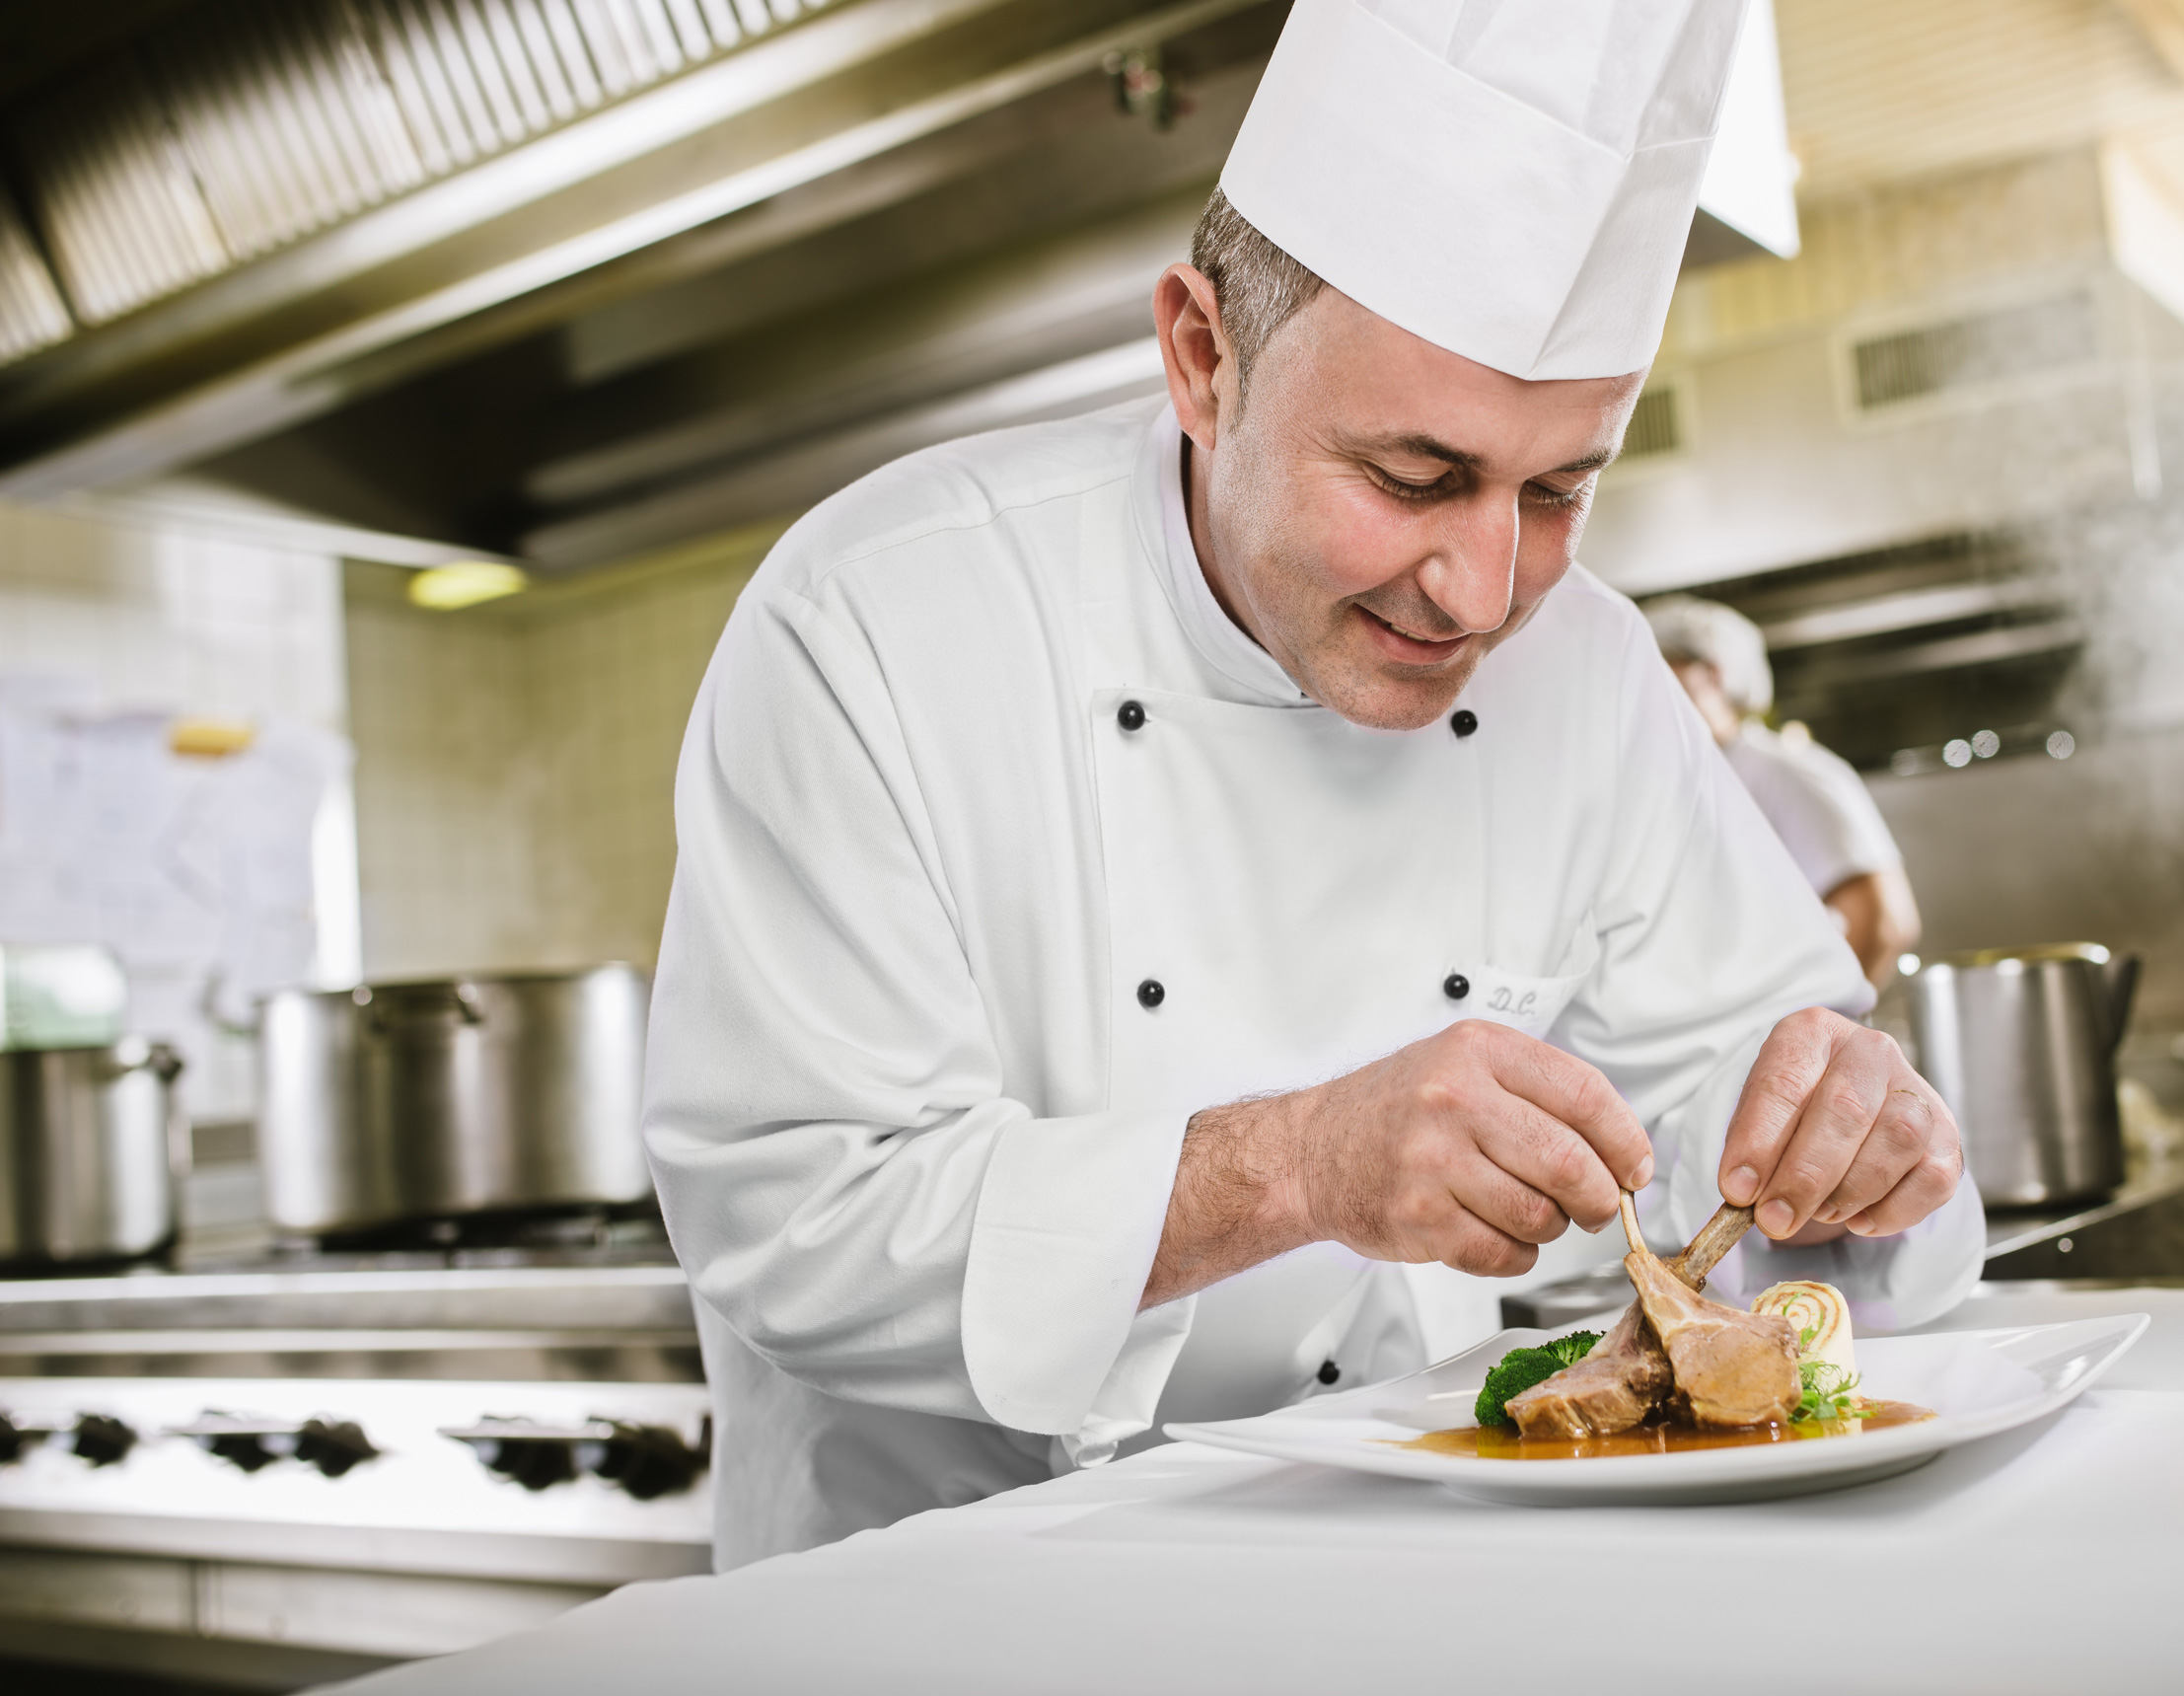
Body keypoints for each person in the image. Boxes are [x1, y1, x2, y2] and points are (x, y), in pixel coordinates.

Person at [645, 0, 1985, 1571]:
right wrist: (1298, 1165)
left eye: (1559, 490)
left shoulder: (1594, 676)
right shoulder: (876, 617)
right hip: (947, 1599)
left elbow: (1761, 1112)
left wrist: (1850, 1148)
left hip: (1412, 1571)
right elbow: (797, 1227)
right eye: (1414, 477)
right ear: (1202, 357)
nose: (1483, 589)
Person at [1641, 595, 1924, 987]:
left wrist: (1816, 1020)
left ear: (1711, 673)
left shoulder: (1782, 772)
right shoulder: (1690, 778)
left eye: (1656, 664)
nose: (1639, 684)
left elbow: (1882, 923)